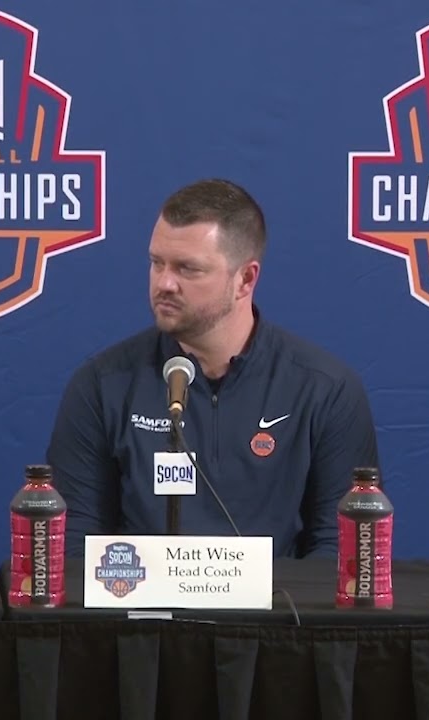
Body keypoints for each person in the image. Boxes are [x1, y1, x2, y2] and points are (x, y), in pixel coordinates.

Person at [45, 179, 379, 558]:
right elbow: (75, 547)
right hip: (137, 613)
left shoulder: (325, 390)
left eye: (188, 269)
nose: (164, 283)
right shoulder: (102, 385)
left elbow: (341, 550)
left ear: (246, 279)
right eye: (157, 263)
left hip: (280, 612)